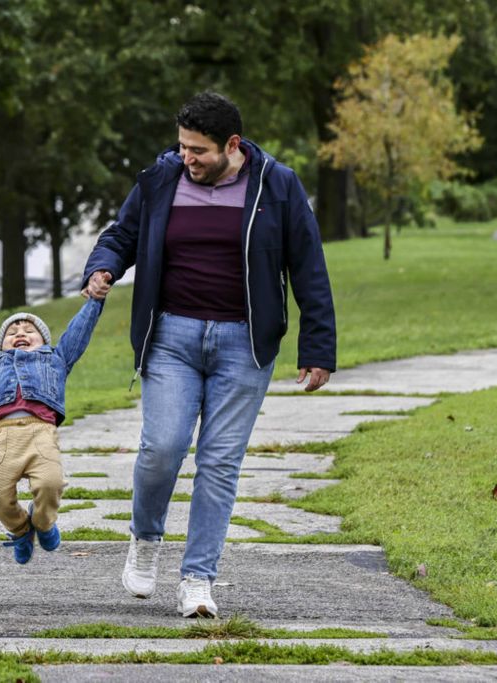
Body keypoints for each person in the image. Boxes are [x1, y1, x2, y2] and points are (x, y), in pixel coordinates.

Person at [81, 92, 336, 618]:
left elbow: (309, 268)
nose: (186, 158)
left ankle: (198, 579)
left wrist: (318, 347)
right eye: (182, 147)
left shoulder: (277, 186)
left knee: (219, 463)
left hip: (244, 344)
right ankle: (145, 540)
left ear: (232, 145)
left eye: (198, 150)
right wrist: (102, 267)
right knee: (163, 448)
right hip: (171, 336)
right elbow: (122, 234)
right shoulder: (162, 177)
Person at [0, 295, 104, 564]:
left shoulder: (56, 358)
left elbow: (79, 331)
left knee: (51, 484)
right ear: (1, 345)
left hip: (40, 433)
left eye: (29, 331)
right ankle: (21, 529)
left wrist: (94, 301)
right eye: (11, 332)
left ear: (44, 342)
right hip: (1, 437)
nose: (20, 333)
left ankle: (43, 522)